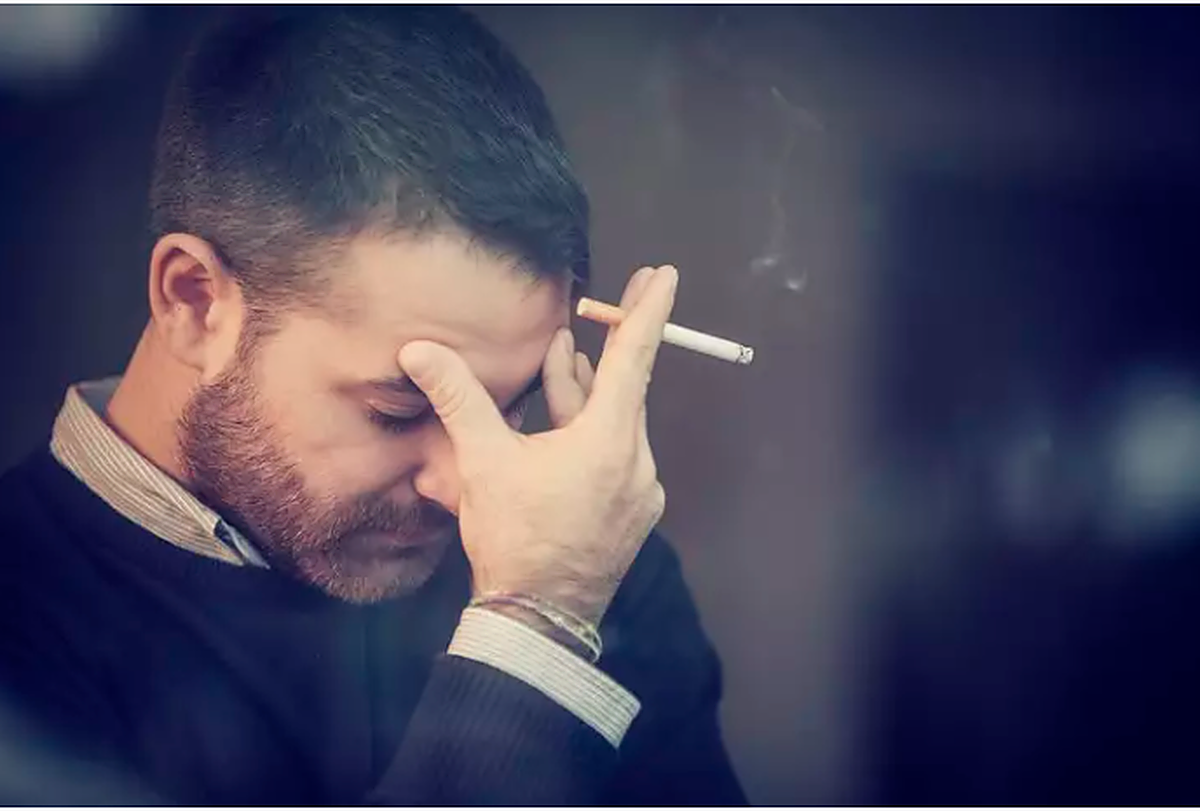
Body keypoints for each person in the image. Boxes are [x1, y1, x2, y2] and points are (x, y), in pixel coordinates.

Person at [0, 6, 746, 805]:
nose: (464, 487)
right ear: (194, 301)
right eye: (398, 409)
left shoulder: (588, 570)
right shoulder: (22, 619)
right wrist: (532, 638)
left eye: (506, 408)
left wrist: (560, 600)